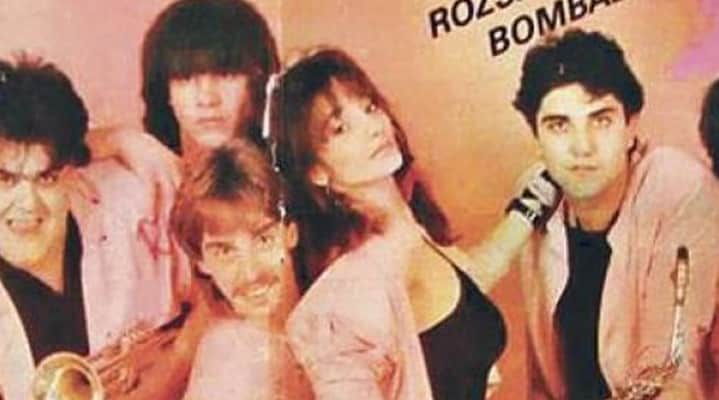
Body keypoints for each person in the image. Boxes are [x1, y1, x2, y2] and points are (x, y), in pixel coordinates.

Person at [272, 47, 560, 400]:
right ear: (315, 171)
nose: (373, 128)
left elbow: (468, 283)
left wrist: (538, 197)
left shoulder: (409, 233)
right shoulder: (341, 305)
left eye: (369, 108)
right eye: (341, 128)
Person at [514, 29, 719, 399]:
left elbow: (671, 370)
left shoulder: (674, 185)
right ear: (537, 139)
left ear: (631, 128)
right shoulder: (535, 199)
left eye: (601, 120)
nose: (582, 147)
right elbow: (542, 380)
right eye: (559, 125)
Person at [0, 56, 188, 399]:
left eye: (46, 178)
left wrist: (172, 366)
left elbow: (219, 294)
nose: (27, 203)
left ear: (72, 172)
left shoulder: (133, 199)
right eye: (5, 179)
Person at [171, 138, 313, 399]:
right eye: (225, 252)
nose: (251, 273)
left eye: (264, 240)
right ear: (201, 262)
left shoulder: (332, 319)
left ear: (291, 233)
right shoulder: (231, 357)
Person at [141, 0, 279, 155]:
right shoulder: (136, 167)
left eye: (226, 75)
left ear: (258, 80)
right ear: (165, 90)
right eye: (186, 78)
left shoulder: (290, 166)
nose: (207, 100)